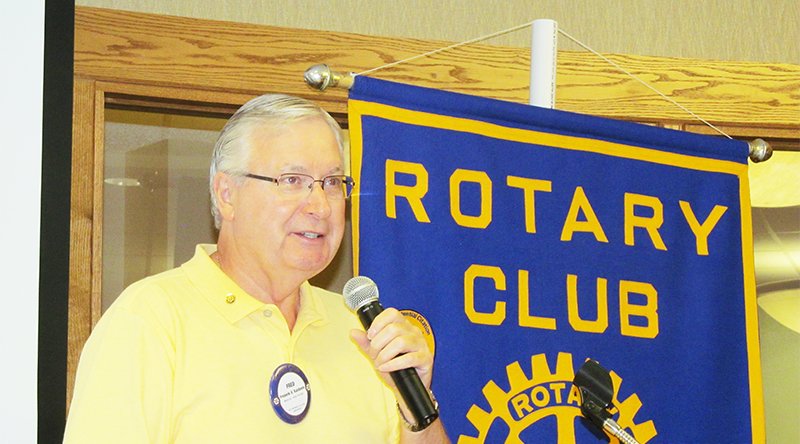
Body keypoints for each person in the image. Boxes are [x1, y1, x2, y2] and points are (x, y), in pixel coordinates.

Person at [64, 94, 449, 443]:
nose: (319, 205)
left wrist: (414, 405)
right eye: (292, 180)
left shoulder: (362, 333)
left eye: (332, 182)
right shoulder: (150, 320)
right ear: (226, 195)